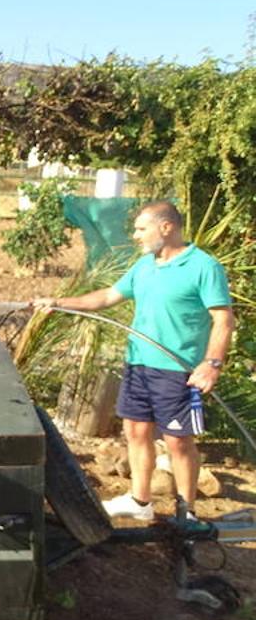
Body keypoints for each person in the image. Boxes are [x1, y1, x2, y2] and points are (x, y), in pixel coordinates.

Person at [33, 200, 234, 521]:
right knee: (136, 432)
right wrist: (57, 302)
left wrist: (211, 364)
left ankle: (187, 510)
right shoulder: (144, 266)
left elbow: (223, 320)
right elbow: (107, 297)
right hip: (138, 365)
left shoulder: (203, 266)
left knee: (178, 441)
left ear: (166, 228)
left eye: (142, 229)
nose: (136, 236)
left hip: (178, 371)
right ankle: (141, 502)